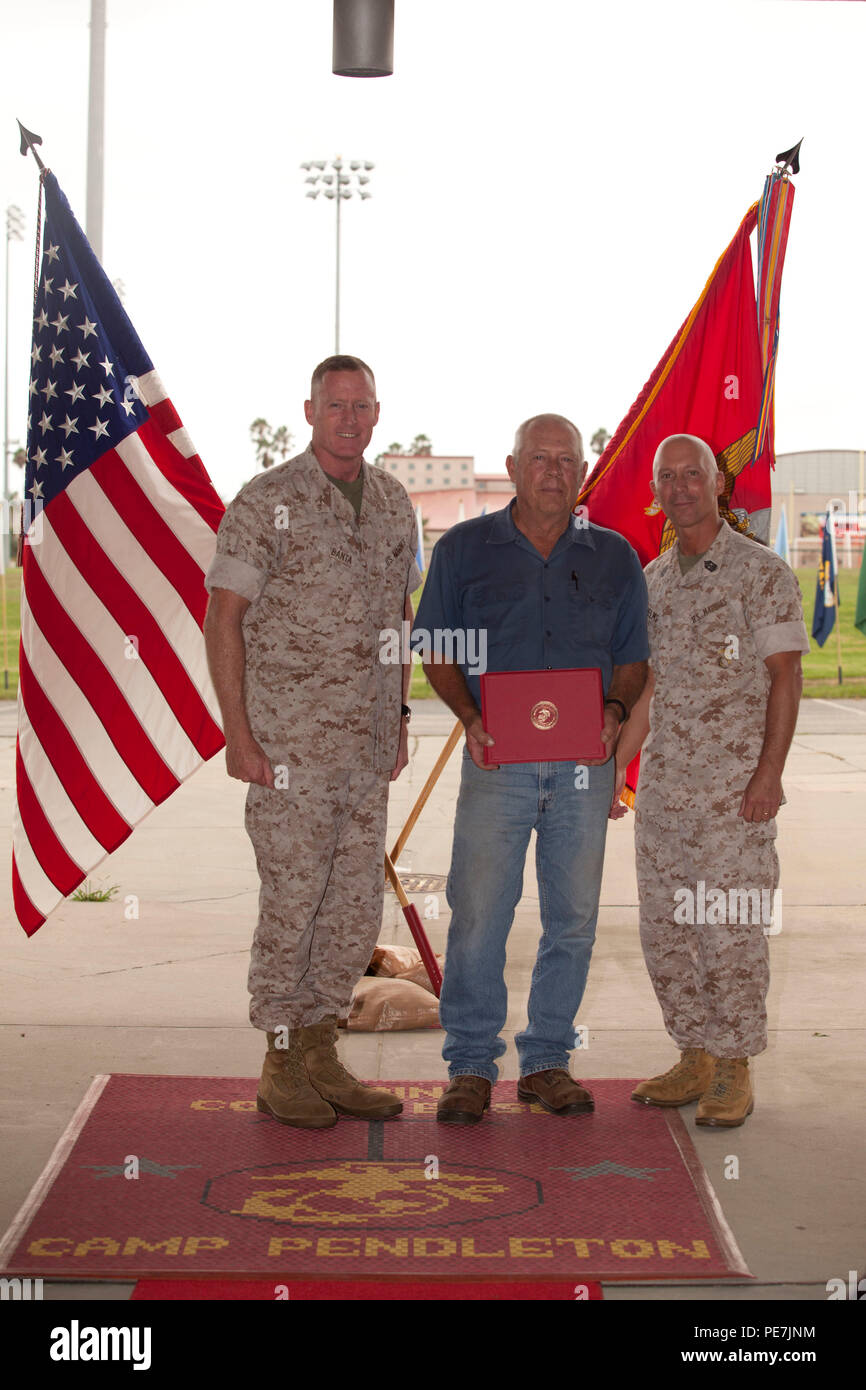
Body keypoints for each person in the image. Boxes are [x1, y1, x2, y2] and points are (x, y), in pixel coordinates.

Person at [203, 355, 420, 1129]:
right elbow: (223, 617)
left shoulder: (395, 505)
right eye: (336, 406)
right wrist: (238, 732)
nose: (350, 419)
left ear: (377, 412)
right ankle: (281, 1057)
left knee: (353, 906)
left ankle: (323, 1049)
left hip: (364, 751)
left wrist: (396, 719)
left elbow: (399, 618)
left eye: (362, 406)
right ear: (309, 411)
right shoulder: (268, 502)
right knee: (293, 902)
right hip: (288, 749)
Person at [412, 413, 649, 1123]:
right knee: (479, 913)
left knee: (572, 920)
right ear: (513, 469)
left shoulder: (615, 557)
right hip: (498, 763)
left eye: (566, 461)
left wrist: (612, 712)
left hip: (584, 768)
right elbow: (437, 650)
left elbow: (635, 658)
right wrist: (471, 719)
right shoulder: (462, 550)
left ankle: (547, 1060)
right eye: (539, 459)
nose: (553, 471)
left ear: (583, 473)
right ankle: (471, 1067)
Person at [611, 433, 809, 1127]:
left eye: (693, 474)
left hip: (734, 797)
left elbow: (787, 675)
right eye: (668, 477)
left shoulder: (761, 573)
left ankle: (733, 1065)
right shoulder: (654, 580)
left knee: (729, 929)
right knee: (665, 930)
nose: (681, 487)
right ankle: (693, 1051)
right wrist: (619, 771)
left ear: (718, 485)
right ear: (659, 490)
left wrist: (768, 774)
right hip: (666, 793)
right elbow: (648, 691)